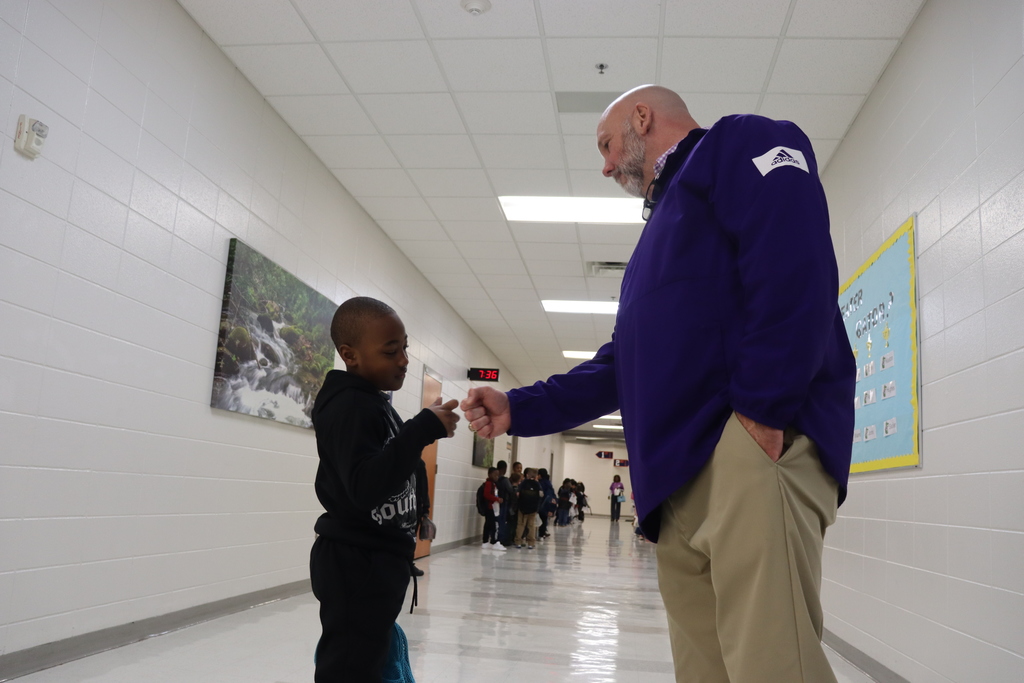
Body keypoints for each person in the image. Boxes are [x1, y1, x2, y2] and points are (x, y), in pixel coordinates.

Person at [461, 85, 855, 683]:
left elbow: (795, 261)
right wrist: (517, 406)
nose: (603, 164)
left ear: (642, 117)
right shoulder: (656, 239)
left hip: (744, 454)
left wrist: (762, 414)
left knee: (774, 666)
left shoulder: (739, 144)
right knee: (705, 671)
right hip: (676, 485)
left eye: (607, 142)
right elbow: (625, 365)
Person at [310, 296, 459, 683]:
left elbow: (398, 466)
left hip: (378, 560)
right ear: (350, 354)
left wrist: (420, 513)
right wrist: (421, 429)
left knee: (369, 663)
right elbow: (364, 487)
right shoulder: (350, 408)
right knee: (348, 670)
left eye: (405, 347)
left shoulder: (375, 405)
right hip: (356, 564)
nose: (404, 359)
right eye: (391, 351)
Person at [514, 468, 542, 548]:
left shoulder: (523, 483)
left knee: (520, 524)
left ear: (527, 475)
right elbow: (541, 495)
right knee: (531, 525)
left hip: (522, 508)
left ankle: (518, 541)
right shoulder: (537, 485)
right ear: (536, 476)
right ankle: (531, 543)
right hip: (533, 509)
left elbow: (518, 494)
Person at [481, 467, 503, 548]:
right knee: (492, 525)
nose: (496, 477)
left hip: (493, 507)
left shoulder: (494, 484)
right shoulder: (488, 483)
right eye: (495, 475)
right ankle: (492, 541)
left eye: (498, 475)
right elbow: (486, 495)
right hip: (490, 507)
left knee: (489, 524)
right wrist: (496, 499)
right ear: (489, 474)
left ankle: (487, 541)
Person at [495, 460, 514, 545]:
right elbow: (510, 490)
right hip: (504, 502)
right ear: (505, 469)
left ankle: (494, 538)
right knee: (502, 521)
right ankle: (501, 539)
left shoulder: (495, 479)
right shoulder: (505, 480)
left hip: (495, 502)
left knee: (495, 521)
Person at [537, 468, 556, 539]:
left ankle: (540, 534)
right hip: (547, 504)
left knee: (539, 519)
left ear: (540, 475)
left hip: (541, 503)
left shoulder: (540, 483)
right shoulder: (549, 483)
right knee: (544, 520)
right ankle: (542, 533)